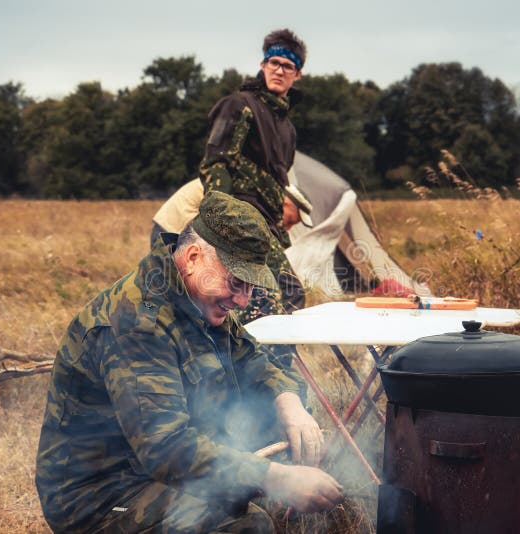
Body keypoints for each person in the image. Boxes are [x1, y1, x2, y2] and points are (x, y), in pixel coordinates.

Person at [36, 192, 343, 533]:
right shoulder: (139, 323)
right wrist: (275, 478)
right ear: (195, 256)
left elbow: (254, 359)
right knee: (247, 526)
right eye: (236, 282)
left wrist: (288, 402)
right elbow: (167, 448)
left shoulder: (198, 296)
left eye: (250, 287)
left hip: (154, 470)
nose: (242, 300)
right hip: (101, 495)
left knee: (287, 429)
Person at [199, 28, 306, 319]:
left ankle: (271, 363)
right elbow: (215, 163)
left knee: (289, 294)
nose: (279, 70)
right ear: (263, 65)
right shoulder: (240, 105)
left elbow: (278, 182)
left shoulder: (288, 129)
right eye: (274, 63)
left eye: (288, 66)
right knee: (269, 298)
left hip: (266, 226)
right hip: (239, 219)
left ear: (297, 75)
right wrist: (219, 221)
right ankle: (255, 362)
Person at [149, 178, 313, 248]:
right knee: (170, 292)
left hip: (184, 231)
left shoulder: (263, 194)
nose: (288, 228)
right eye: (290, 220)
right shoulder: (256, 195)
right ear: (285, 203)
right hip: (172, 228)